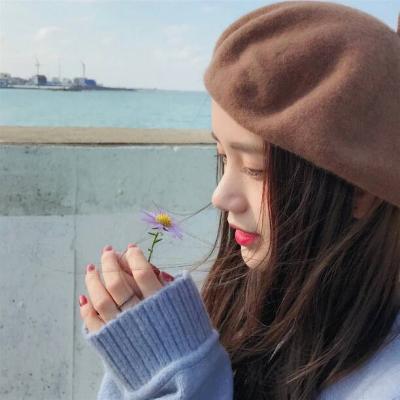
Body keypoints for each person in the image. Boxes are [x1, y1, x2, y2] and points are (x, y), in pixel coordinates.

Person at [79, 1, 400, 399]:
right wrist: (147, 359)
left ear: (360, 190)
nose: (220, 196)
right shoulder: (253, 313)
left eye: (255, 169)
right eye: (222, 158)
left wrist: (171, 376)